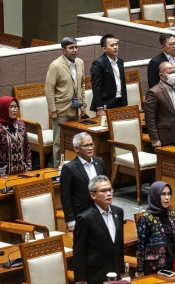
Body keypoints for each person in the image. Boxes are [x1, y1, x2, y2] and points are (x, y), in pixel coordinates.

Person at [73, 175, 124, 284]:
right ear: (93, 195)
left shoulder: (118, 212)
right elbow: (79, 251)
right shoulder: (85, 218)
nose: (109, 193)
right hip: (96, 274)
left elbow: (119, 244)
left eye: (110, 190)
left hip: (115, 271)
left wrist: (122, 270)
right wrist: (80, 279)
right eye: (104, 191)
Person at [45, 37, 86, 167]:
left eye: (76, 47)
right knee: (59, 141)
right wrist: (53, 110)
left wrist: (83, 103)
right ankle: (58, 167)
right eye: (71, 48)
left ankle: (74, 166)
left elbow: (83, 84)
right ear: (63, 50)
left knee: (75, 140)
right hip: (61, 109)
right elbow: (49, 88)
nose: (75, 50)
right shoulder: (55, 65)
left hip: (76, 108)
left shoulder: (80, 62)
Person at [60, 132, 106, 232]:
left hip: (100, 212)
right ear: (76, 148)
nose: (90, 148)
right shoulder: (69, 168)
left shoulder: (100, 162)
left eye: (91, 144)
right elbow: (65, 197)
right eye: (86, 145)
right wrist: (71, 222)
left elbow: (106, 187)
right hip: (81, 215)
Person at [135, 181, 175, 277]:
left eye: (169, 194)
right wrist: (139, 269)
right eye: (163, 194)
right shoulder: (146, 218)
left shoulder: (173, 214)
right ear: (155, 196)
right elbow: (140, 246)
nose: (167, 198)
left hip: (172, 266)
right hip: (153, 269)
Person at [144, 62, 175, 148]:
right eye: (170, 73)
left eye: (174, 72)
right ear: (161, 75)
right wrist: (155, 139)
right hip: (163, 137)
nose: (173, 75)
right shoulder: (154, 92)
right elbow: (149, 117)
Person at [90, 34, 128, 116]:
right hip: (106, 103)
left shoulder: (120, 61)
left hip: (120, 101)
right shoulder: (98, 63)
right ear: (104, 48)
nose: (115, 47)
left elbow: (122, 82)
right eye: (112, 45)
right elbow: (97, 87)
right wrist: (100, 108)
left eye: (116, 44)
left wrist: (125, 103)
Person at [147, 34, 175, 100]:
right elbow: (153, 84)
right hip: (166, 100)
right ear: (163, 47)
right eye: (171, 44)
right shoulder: (155, 62)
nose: (174, 46)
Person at [0, 97, 31, 175]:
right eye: (11, 107)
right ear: (3, 108)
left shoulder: (20, 124)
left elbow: (26, 147)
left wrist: (29, 167)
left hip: (21, 172)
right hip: (3, 175)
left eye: (16, 106)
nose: (14, 109)